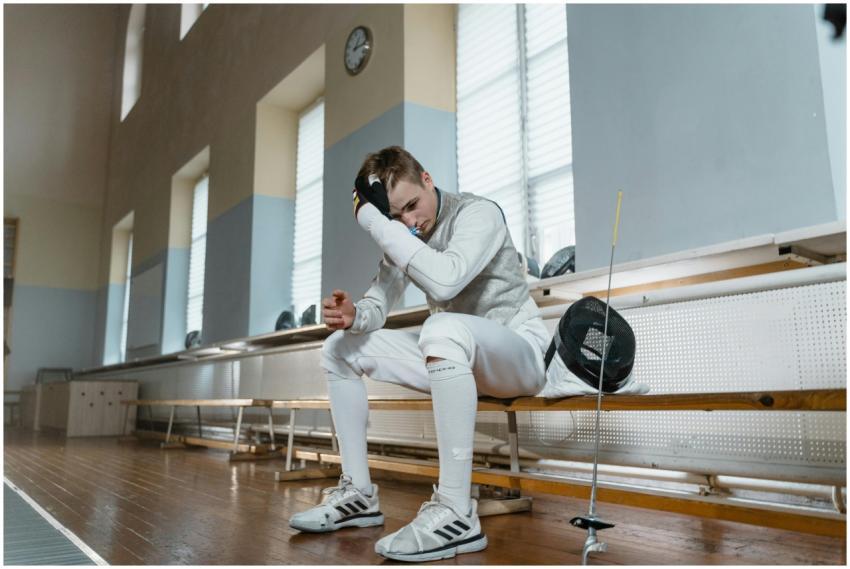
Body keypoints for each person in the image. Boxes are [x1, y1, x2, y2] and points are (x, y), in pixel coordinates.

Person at [288, 146, 550, 562]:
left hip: (517, 353)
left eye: (412, 205)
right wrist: (355, 316)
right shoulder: (406, 234)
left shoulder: (478, 214)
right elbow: (379, 302)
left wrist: (374, 220)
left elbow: (445, 281)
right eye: (396, 217)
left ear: (427, 179)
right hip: (454, 357)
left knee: (440, 327)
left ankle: (456, 511)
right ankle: (358, 493)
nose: (409, 222)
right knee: (339, 348)